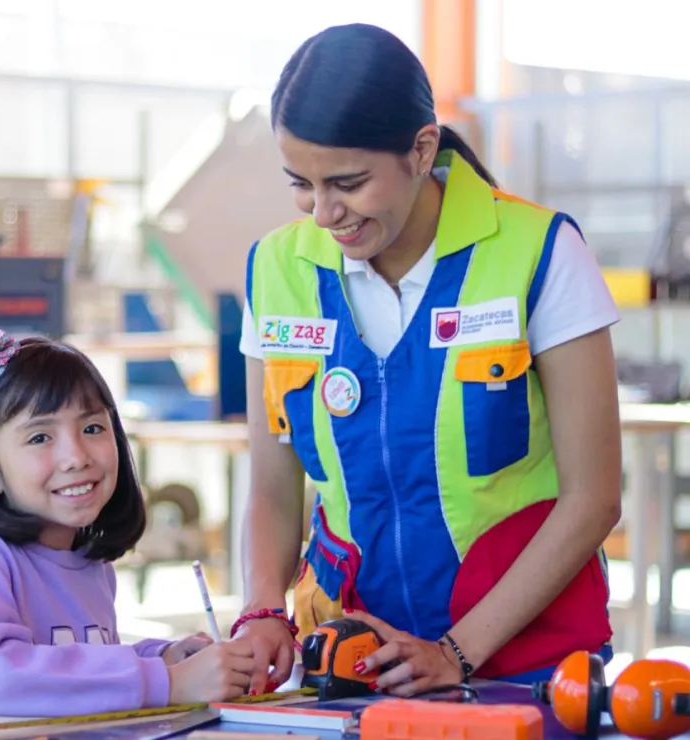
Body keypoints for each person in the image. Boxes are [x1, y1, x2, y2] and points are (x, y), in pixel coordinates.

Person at [234, 23, 623, 698]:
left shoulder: (538, 252)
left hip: (528, 668)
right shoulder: (276, 270)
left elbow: (594, 499)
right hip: (353, 661)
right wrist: (263, 610)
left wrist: (456, 652)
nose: (325, 213)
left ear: (420, 150)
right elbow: (272, 487)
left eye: (348, 183)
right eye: (302, 183)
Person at [0, 329, 255, 717]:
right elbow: (3, 679)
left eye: (92, 428)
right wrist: (169, 683)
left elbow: (79, 666)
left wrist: (164, 658)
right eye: (40, 436)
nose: (76, 456)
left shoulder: (89, 562)